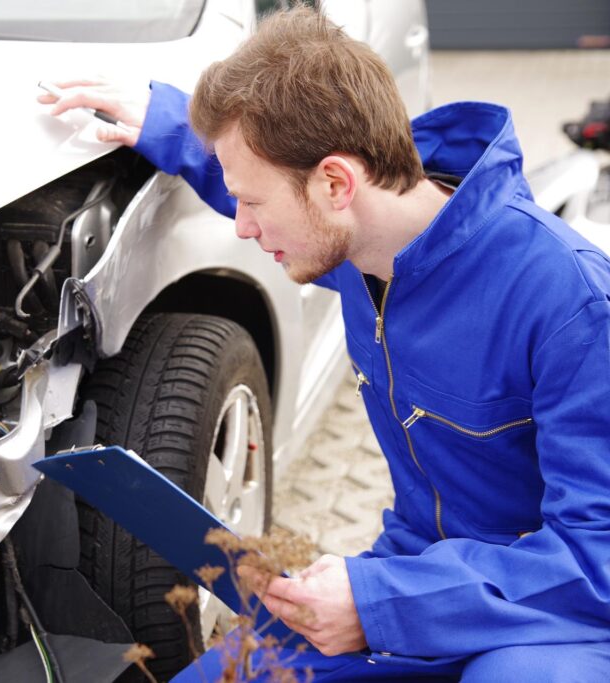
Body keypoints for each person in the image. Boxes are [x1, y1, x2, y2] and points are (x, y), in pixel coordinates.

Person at [39, 7, 610, 681]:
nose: (244, 226)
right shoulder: (360, 236)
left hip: (546, 620)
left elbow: (595, 560)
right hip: (416, 573)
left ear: (337, 183)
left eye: (253, 203)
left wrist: (375, 603)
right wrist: (166, 122)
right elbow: (270, 182)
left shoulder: (570, 302)